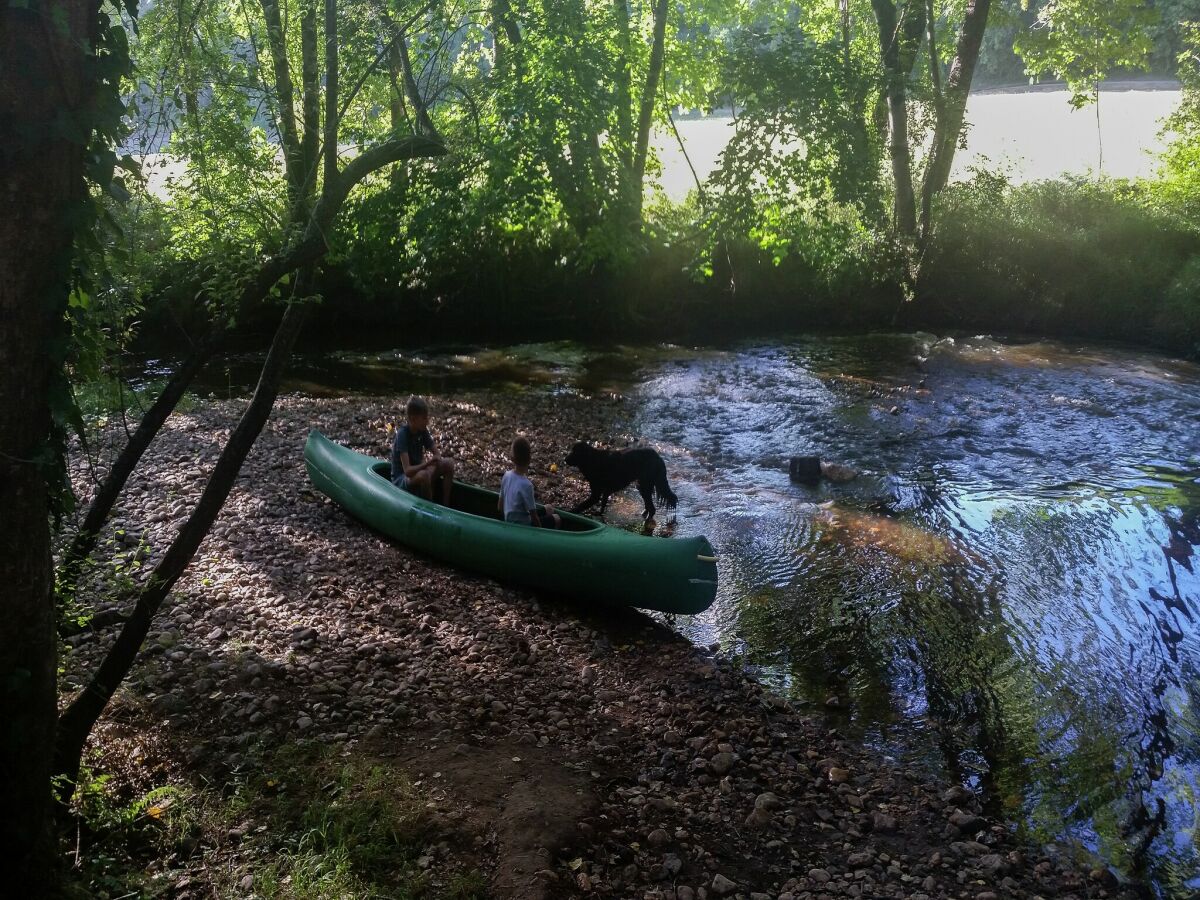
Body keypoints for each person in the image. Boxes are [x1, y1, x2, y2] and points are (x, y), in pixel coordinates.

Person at [390, 395, 455, 504]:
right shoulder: (402, 435)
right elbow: (408, 471)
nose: (427, 421)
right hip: (401, 479)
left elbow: (437, 454)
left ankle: (445, 505)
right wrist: (427, 464)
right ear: (413, 419)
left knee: (449, 463)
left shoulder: (422, 431)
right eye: (424, 418)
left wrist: (433, 464)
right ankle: (430, 508)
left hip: (418, 472)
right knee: (424, 475)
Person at [499, 436, 561, 528]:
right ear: (529, 459)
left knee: (549, 508)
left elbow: (500, 507)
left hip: (509, 519)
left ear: (512, 458)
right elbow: (534, 517)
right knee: (557, 518)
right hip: (522, 526)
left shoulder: (506, 475)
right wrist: (539, 531)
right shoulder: (527, 485)